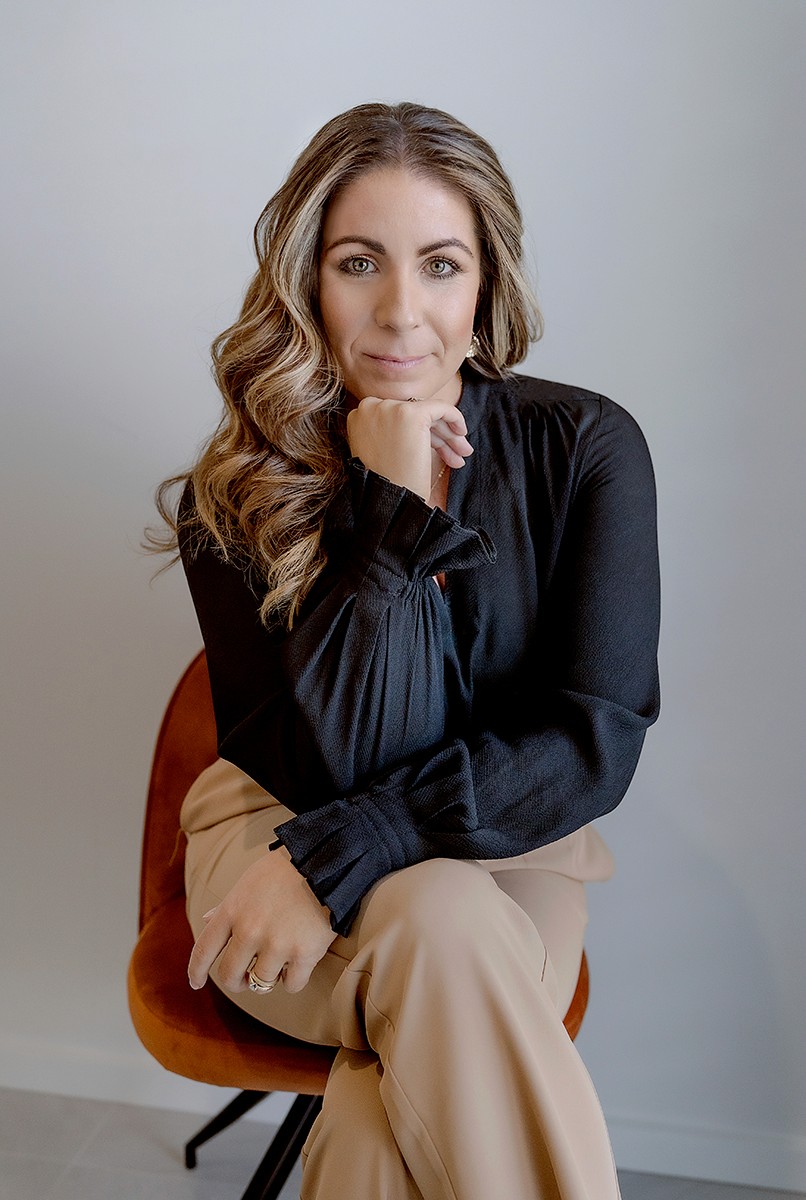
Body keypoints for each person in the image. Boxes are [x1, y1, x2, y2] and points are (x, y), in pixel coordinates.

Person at [155, 101, 660, 1199]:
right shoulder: (233, 501)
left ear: (483, 292)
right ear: (306, 284)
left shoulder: (583, 450)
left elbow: (592, 741)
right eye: (356, 263)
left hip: (510, 854)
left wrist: (355, 847)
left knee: (393, 1097)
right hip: (271, 840)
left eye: (439, 264)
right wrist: (388, 514)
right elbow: (332, 770)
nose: (399, 311)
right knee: (434, 925)